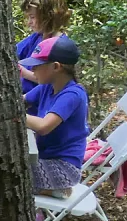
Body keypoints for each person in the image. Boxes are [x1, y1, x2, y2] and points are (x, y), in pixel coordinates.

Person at [22, 35, 89, 196]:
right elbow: (21, 101)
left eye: (37, 66)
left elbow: (44, 126)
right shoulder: (47, 86)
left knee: (14, 179)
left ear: (56, 67)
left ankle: (56, 190)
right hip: (43, 158)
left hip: (64, 169)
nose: (32, 70)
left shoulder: (72, 95)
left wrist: (13, 115)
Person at [17, 0, 70, 93]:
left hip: (37, 105)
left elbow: (48, 80)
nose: (29, 23)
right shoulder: (36, 37)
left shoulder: (60, 46)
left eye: (32, 17)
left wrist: (22, 72)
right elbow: (12, 53)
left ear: (48, 16)